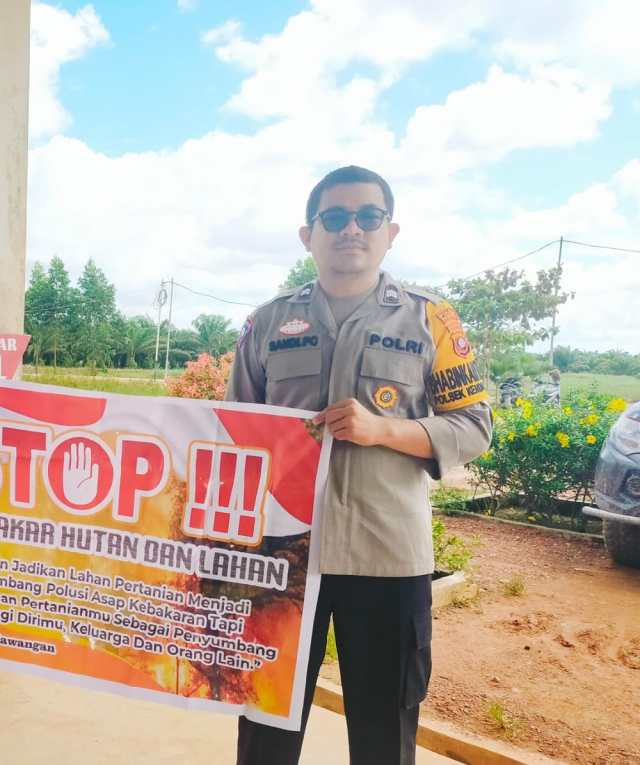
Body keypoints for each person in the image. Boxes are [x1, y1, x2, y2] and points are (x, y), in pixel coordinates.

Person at [228, 166, 492, 765]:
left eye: (368, 216)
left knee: (384, 731)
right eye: (335, 217)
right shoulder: (267, 323)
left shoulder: (431, 320)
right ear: (308, 235)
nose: (352, 228)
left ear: (390, 232)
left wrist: (384, 430)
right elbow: (232, 429)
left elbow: (474, 426)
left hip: (387, 555)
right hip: (283, 557)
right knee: (266, 722)